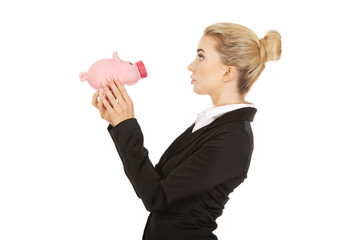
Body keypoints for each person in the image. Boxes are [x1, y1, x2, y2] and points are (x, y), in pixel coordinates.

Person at [92, 22, 281, 240]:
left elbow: (155, 197)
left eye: (201, 56)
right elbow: (154, 181)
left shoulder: (233, 138)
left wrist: (126, 125)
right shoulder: (212, 123)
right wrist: (119, 123)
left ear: (228, 72)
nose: (191, 66)